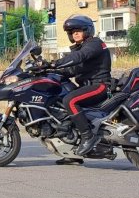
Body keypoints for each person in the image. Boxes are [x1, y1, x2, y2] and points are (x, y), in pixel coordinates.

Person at [48, 14, 112, 161]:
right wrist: (48, 69)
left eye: (78, 30)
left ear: (87, 30)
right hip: (87, 86)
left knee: (69, 100)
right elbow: (71, 70)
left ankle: (88, 136)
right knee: (60, 100)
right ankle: (72, 151)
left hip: (100, 86)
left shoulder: (95, 44)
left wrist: (55, 63)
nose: (74, 33)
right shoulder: (80, 48)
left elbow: (80, 57)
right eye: (71, 32)